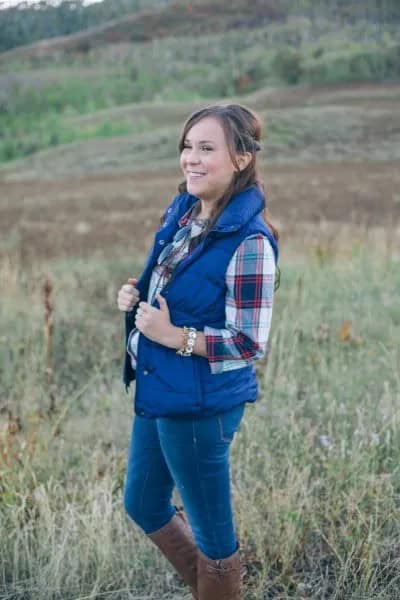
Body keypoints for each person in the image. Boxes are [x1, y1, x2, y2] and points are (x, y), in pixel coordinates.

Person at [117, 103, 279, 599]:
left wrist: (174, 337)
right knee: (143, 501)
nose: (191, 158)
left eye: (207, 148)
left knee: (214, 539)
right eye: (188, 146)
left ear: (242, 159)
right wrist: (136, 296)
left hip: (202, 405)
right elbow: (175, 289)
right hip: (161, 385)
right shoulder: (185, 212)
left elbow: (249, 342)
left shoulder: (251, 242)